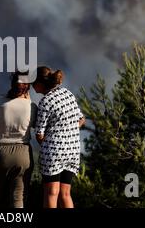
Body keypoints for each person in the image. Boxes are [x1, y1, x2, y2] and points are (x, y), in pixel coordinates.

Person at [32, 67, 85, 208]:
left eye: (33, 82)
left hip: (53, 152)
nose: (31, 86)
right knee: (66, 194)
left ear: (40, 83)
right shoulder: (67, 93)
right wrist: (69, 131)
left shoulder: (45, 101)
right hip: (73, 151)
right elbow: (81, 119)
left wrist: (50, 141)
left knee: (51, 193)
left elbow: (39, 134)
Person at [0, 72, 37, 208]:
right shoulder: (32, 107)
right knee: (18, 198)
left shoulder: (0, 103)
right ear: (28, 87)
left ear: (12, 84)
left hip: (0, 151)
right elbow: (35, 125)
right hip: (22, 152)